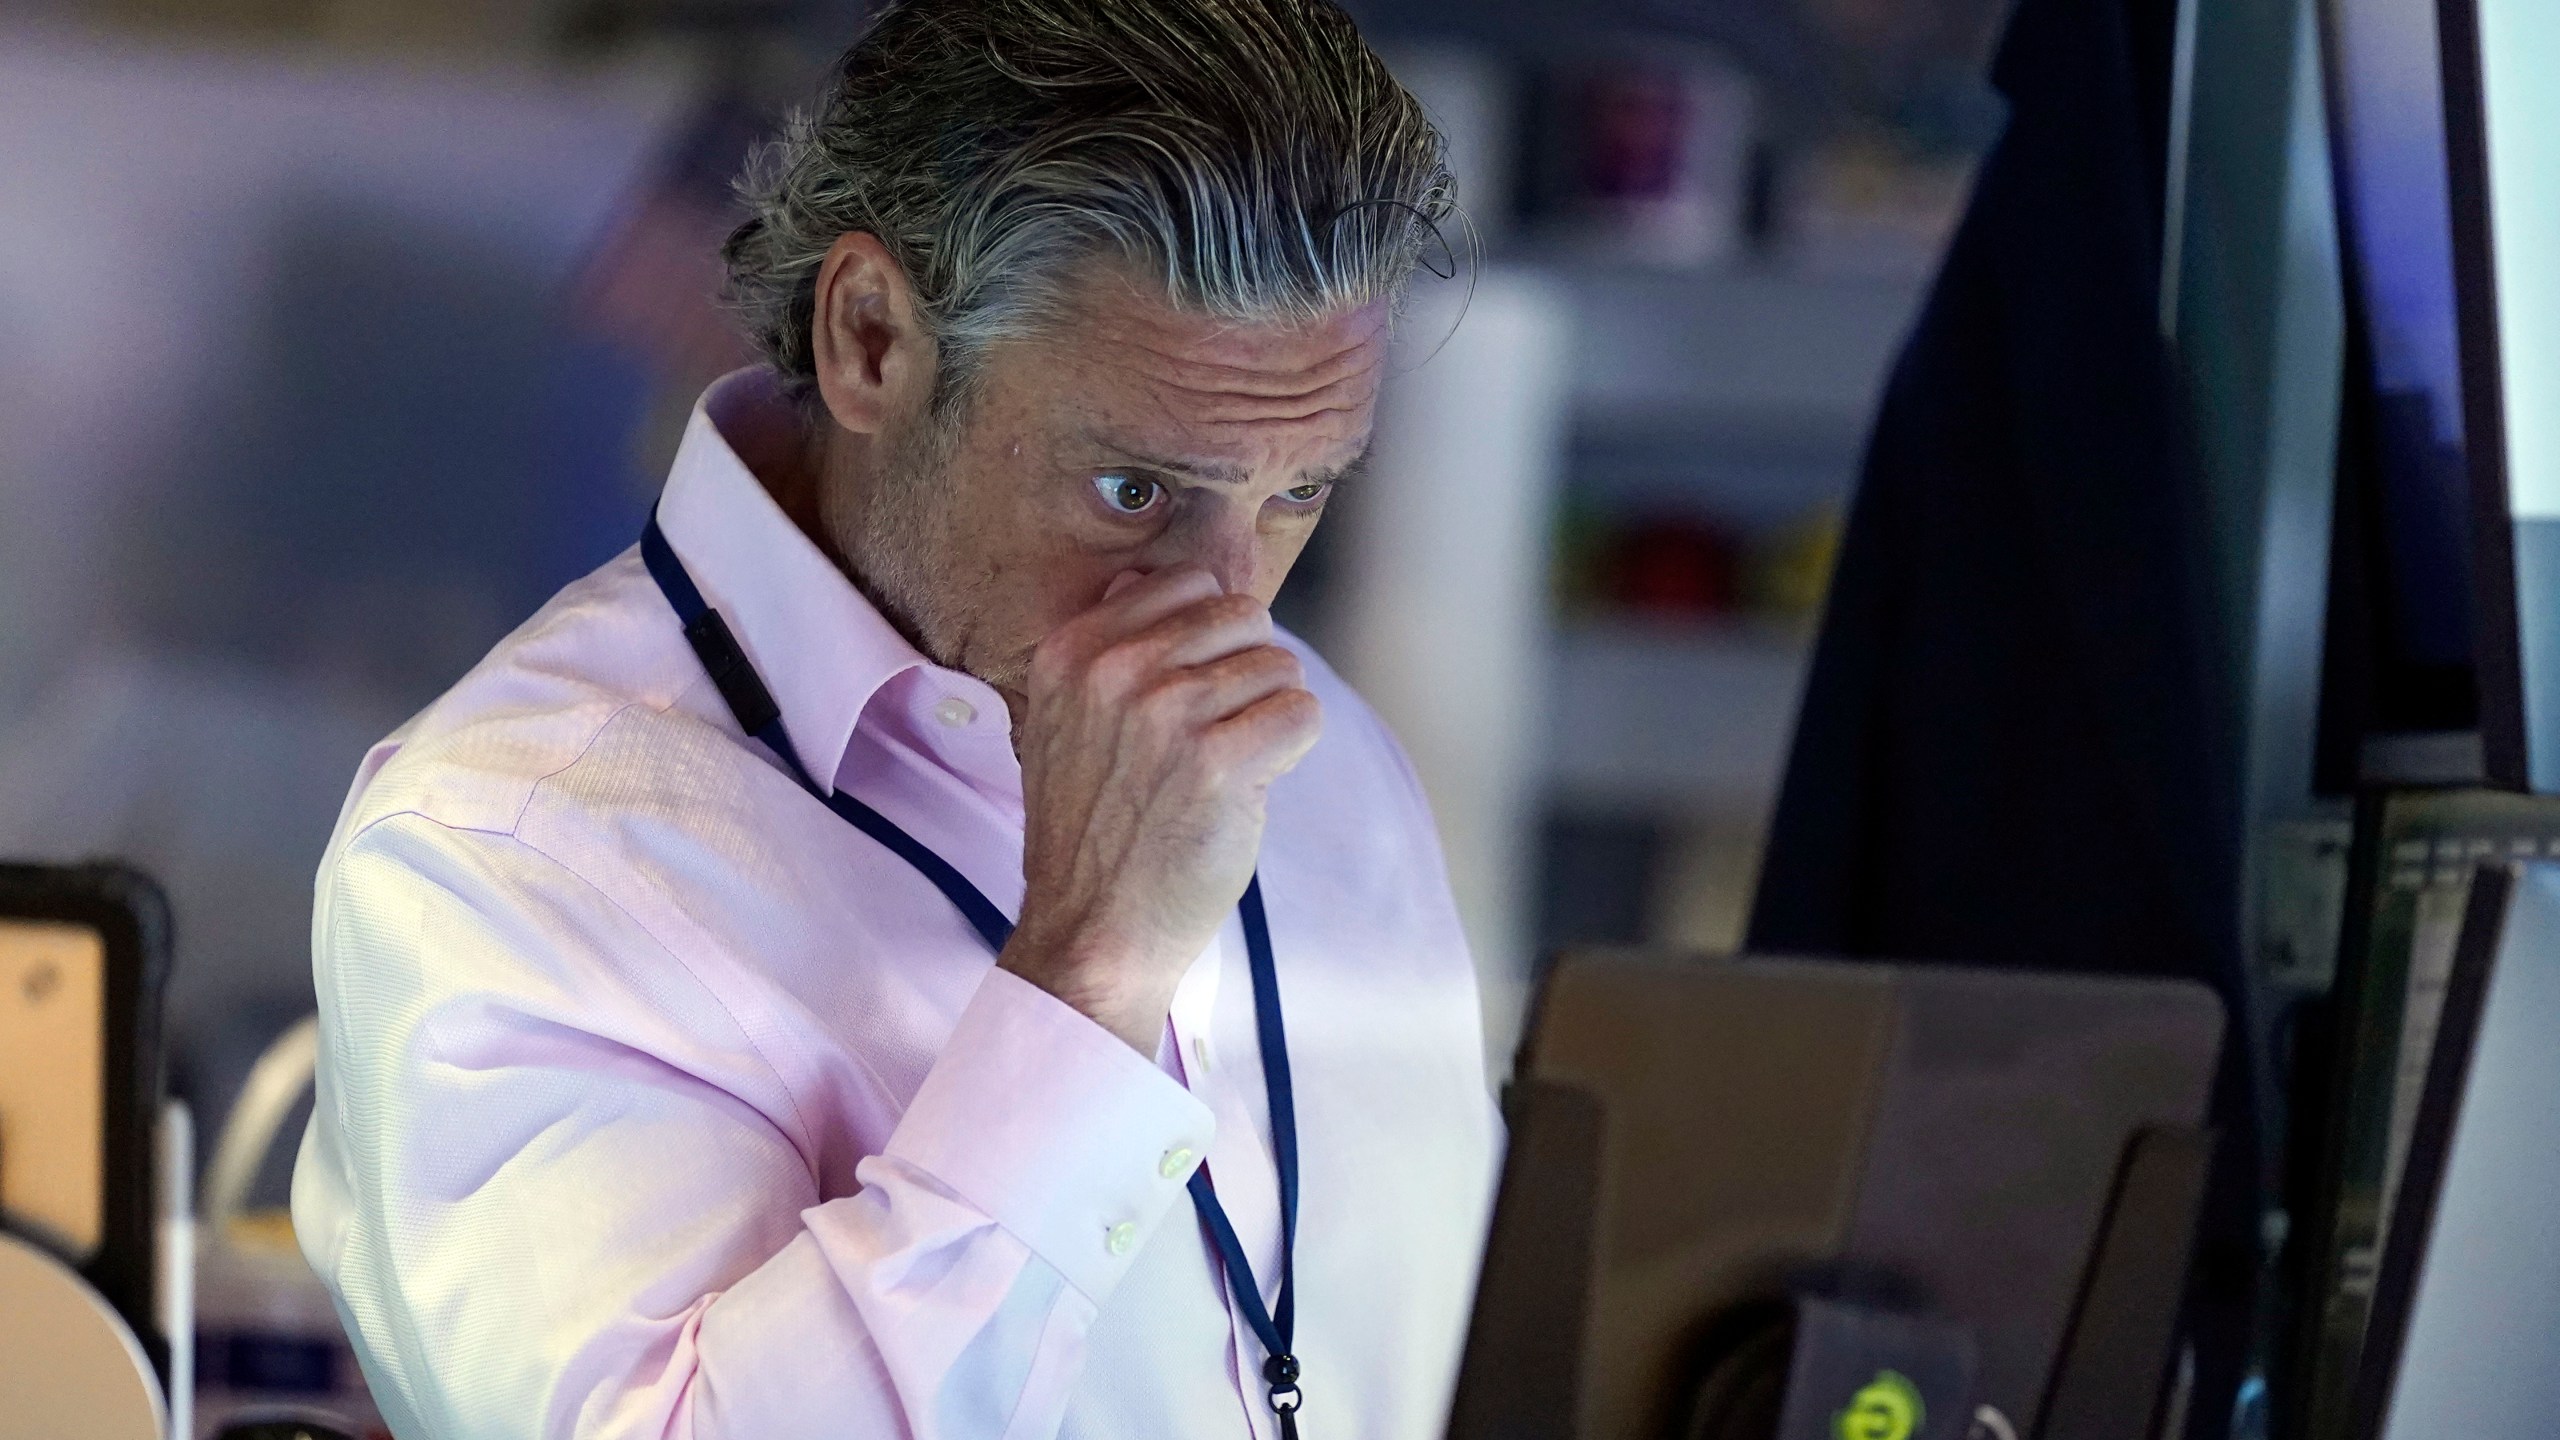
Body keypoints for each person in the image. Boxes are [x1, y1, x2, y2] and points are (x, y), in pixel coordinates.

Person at [290, 2, 1501, 1436]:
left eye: (1296, 493)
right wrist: (1088, 978)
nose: (1224, 610)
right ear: (870, 340)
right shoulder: (508, 845)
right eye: (1135, 492)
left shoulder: (1331, 760)